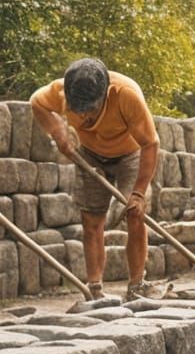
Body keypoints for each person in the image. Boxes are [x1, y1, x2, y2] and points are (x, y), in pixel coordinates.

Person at [30, 59, 160, 300]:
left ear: (105, 94)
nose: (82, 114)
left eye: (89, 108)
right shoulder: (59, 92)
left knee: (134, 214)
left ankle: (137, 286)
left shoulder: (126, 95)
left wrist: (139, 193)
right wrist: (57, 130)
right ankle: (95, 290)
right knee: (91, 222)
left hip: (129, 154)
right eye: (77, 108)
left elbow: (150, 143)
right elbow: (36, 101)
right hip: (89, 154)